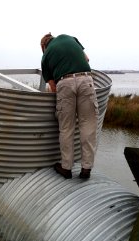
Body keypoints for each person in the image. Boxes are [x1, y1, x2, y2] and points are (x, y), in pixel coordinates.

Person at [40, 33, 98, 179]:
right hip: (86, 80)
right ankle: (86, 169)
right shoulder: (71, 38)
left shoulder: (46, 55)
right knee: (88, 125)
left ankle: (66, 168)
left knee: (66, 127)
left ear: (43, 46)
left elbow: (53, 88)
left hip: (64, 83)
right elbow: (87, 59)